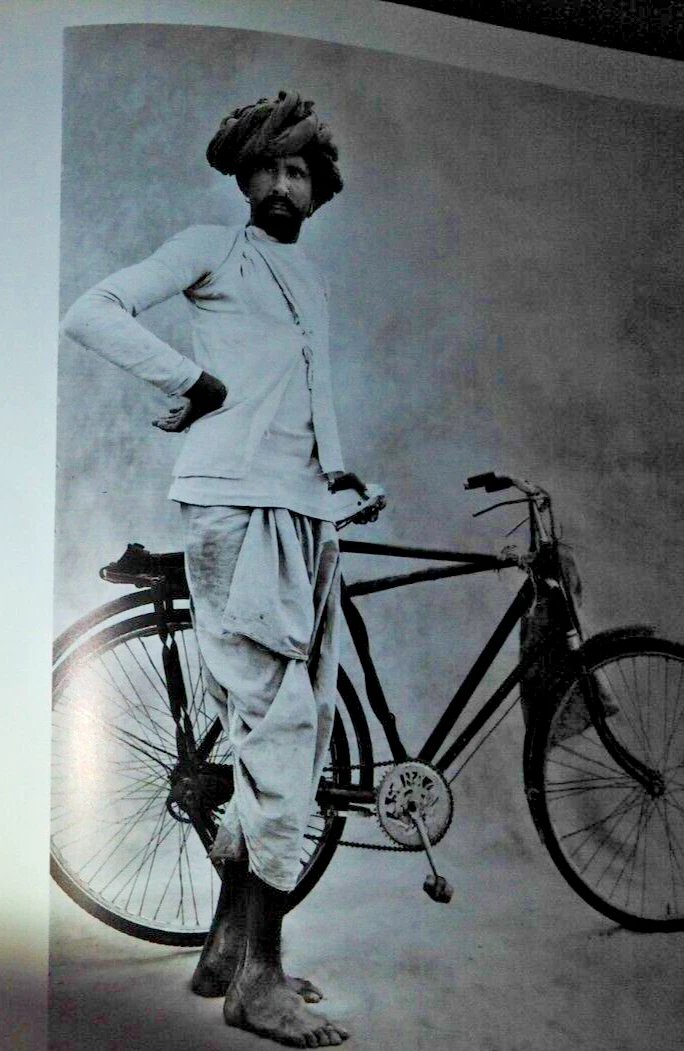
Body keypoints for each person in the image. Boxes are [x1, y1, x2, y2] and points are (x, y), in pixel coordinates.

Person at [61, 90, 378, 1048]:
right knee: (283, 736)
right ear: (243, 179)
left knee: (278, 732)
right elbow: (92, 311)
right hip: (236, 508)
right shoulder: (212, 247)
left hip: (303, 508)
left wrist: (338, 471)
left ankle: (225, 952)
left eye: (299, 171)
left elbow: (306, 393)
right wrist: (192, 383)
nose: (283, 184)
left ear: (317, 189)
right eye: (268, 168)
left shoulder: (308, 280)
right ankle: (261, 981)